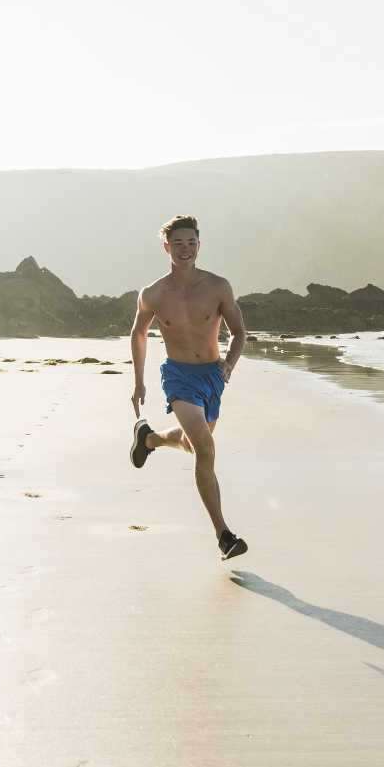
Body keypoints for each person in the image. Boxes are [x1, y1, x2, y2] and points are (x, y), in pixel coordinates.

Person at [128, 214, 249, 560]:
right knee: (206, 449)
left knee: (189, 443)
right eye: (178, 243)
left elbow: (240, 332)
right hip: (178, 376)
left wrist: (229, 363)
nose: (185, 249)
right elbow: (138, 333)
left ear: (199, 245)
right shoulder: (153, 293)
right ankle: (224, 535)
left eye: (191, 243)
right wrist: (138, 382)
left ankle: (149, 438)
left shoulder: (218, 287)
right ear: (167, 247)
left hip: (212, 376)